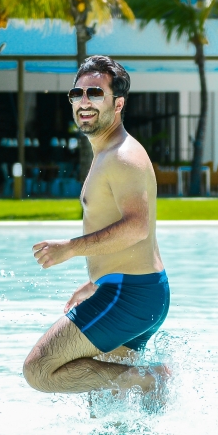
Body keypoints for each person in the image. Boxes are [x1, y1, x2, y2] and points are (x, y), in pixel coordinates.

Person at [24, 55, 169, 399]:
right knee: (108, 406)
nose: (84, 102)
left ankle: (153, 379)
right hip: (132, 291)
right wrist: (95, 282)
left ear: (118, 104)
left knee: (40, 369)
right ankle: (154, 397)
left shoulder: (122, 156)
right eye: (77, 94)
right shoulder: (107, 153)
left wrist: (71, 248)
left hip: (129, 295)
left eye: (95, 93)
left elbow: (137, 228)